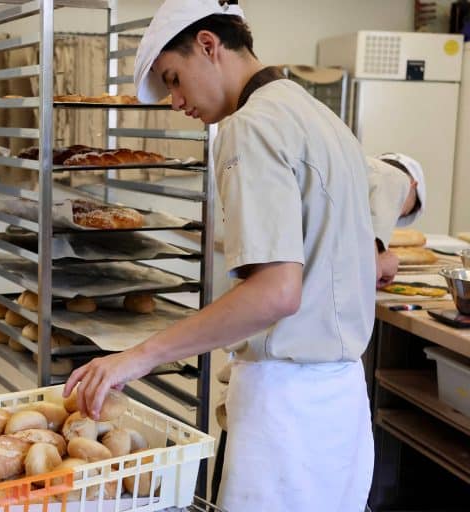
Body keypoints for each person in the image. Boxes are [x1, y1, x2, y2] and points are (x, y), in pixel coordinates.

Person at [63, 1, 376, 510]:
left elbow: (275, 293)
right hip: (340, 410)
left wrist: (138, 356)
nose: (176, 102)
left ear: (208, 45)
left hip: (287, 415)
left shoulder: (249, 127)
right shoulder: (321, 118)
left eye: (174, 79)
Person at [368, 153, 426, 288]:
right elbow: (368, 272)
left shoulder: (364, 174)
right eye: (402, 213)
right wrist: (384, 264)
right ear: (412, 186)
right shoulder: (395, 180)